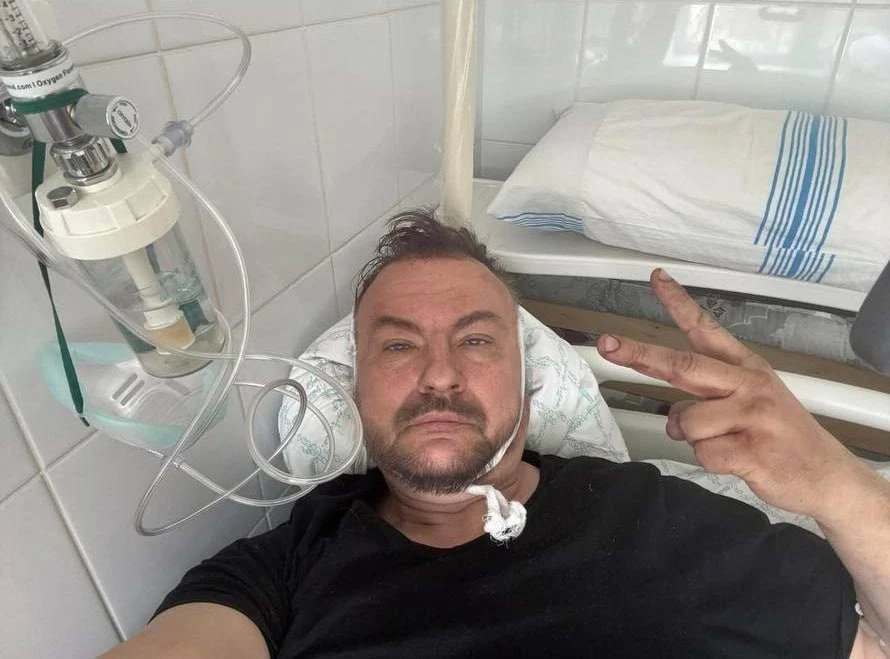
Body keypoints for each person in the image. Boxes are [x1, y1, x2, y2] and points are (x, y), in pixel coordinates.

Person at [103, 211, 890, 658]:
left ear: (526, 381)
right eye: (398, 345)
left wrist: (836, 484)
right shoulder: (284, 568)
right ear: (356, 387)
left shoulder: (659, 521)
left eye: (477, 340)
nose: (439, 373)